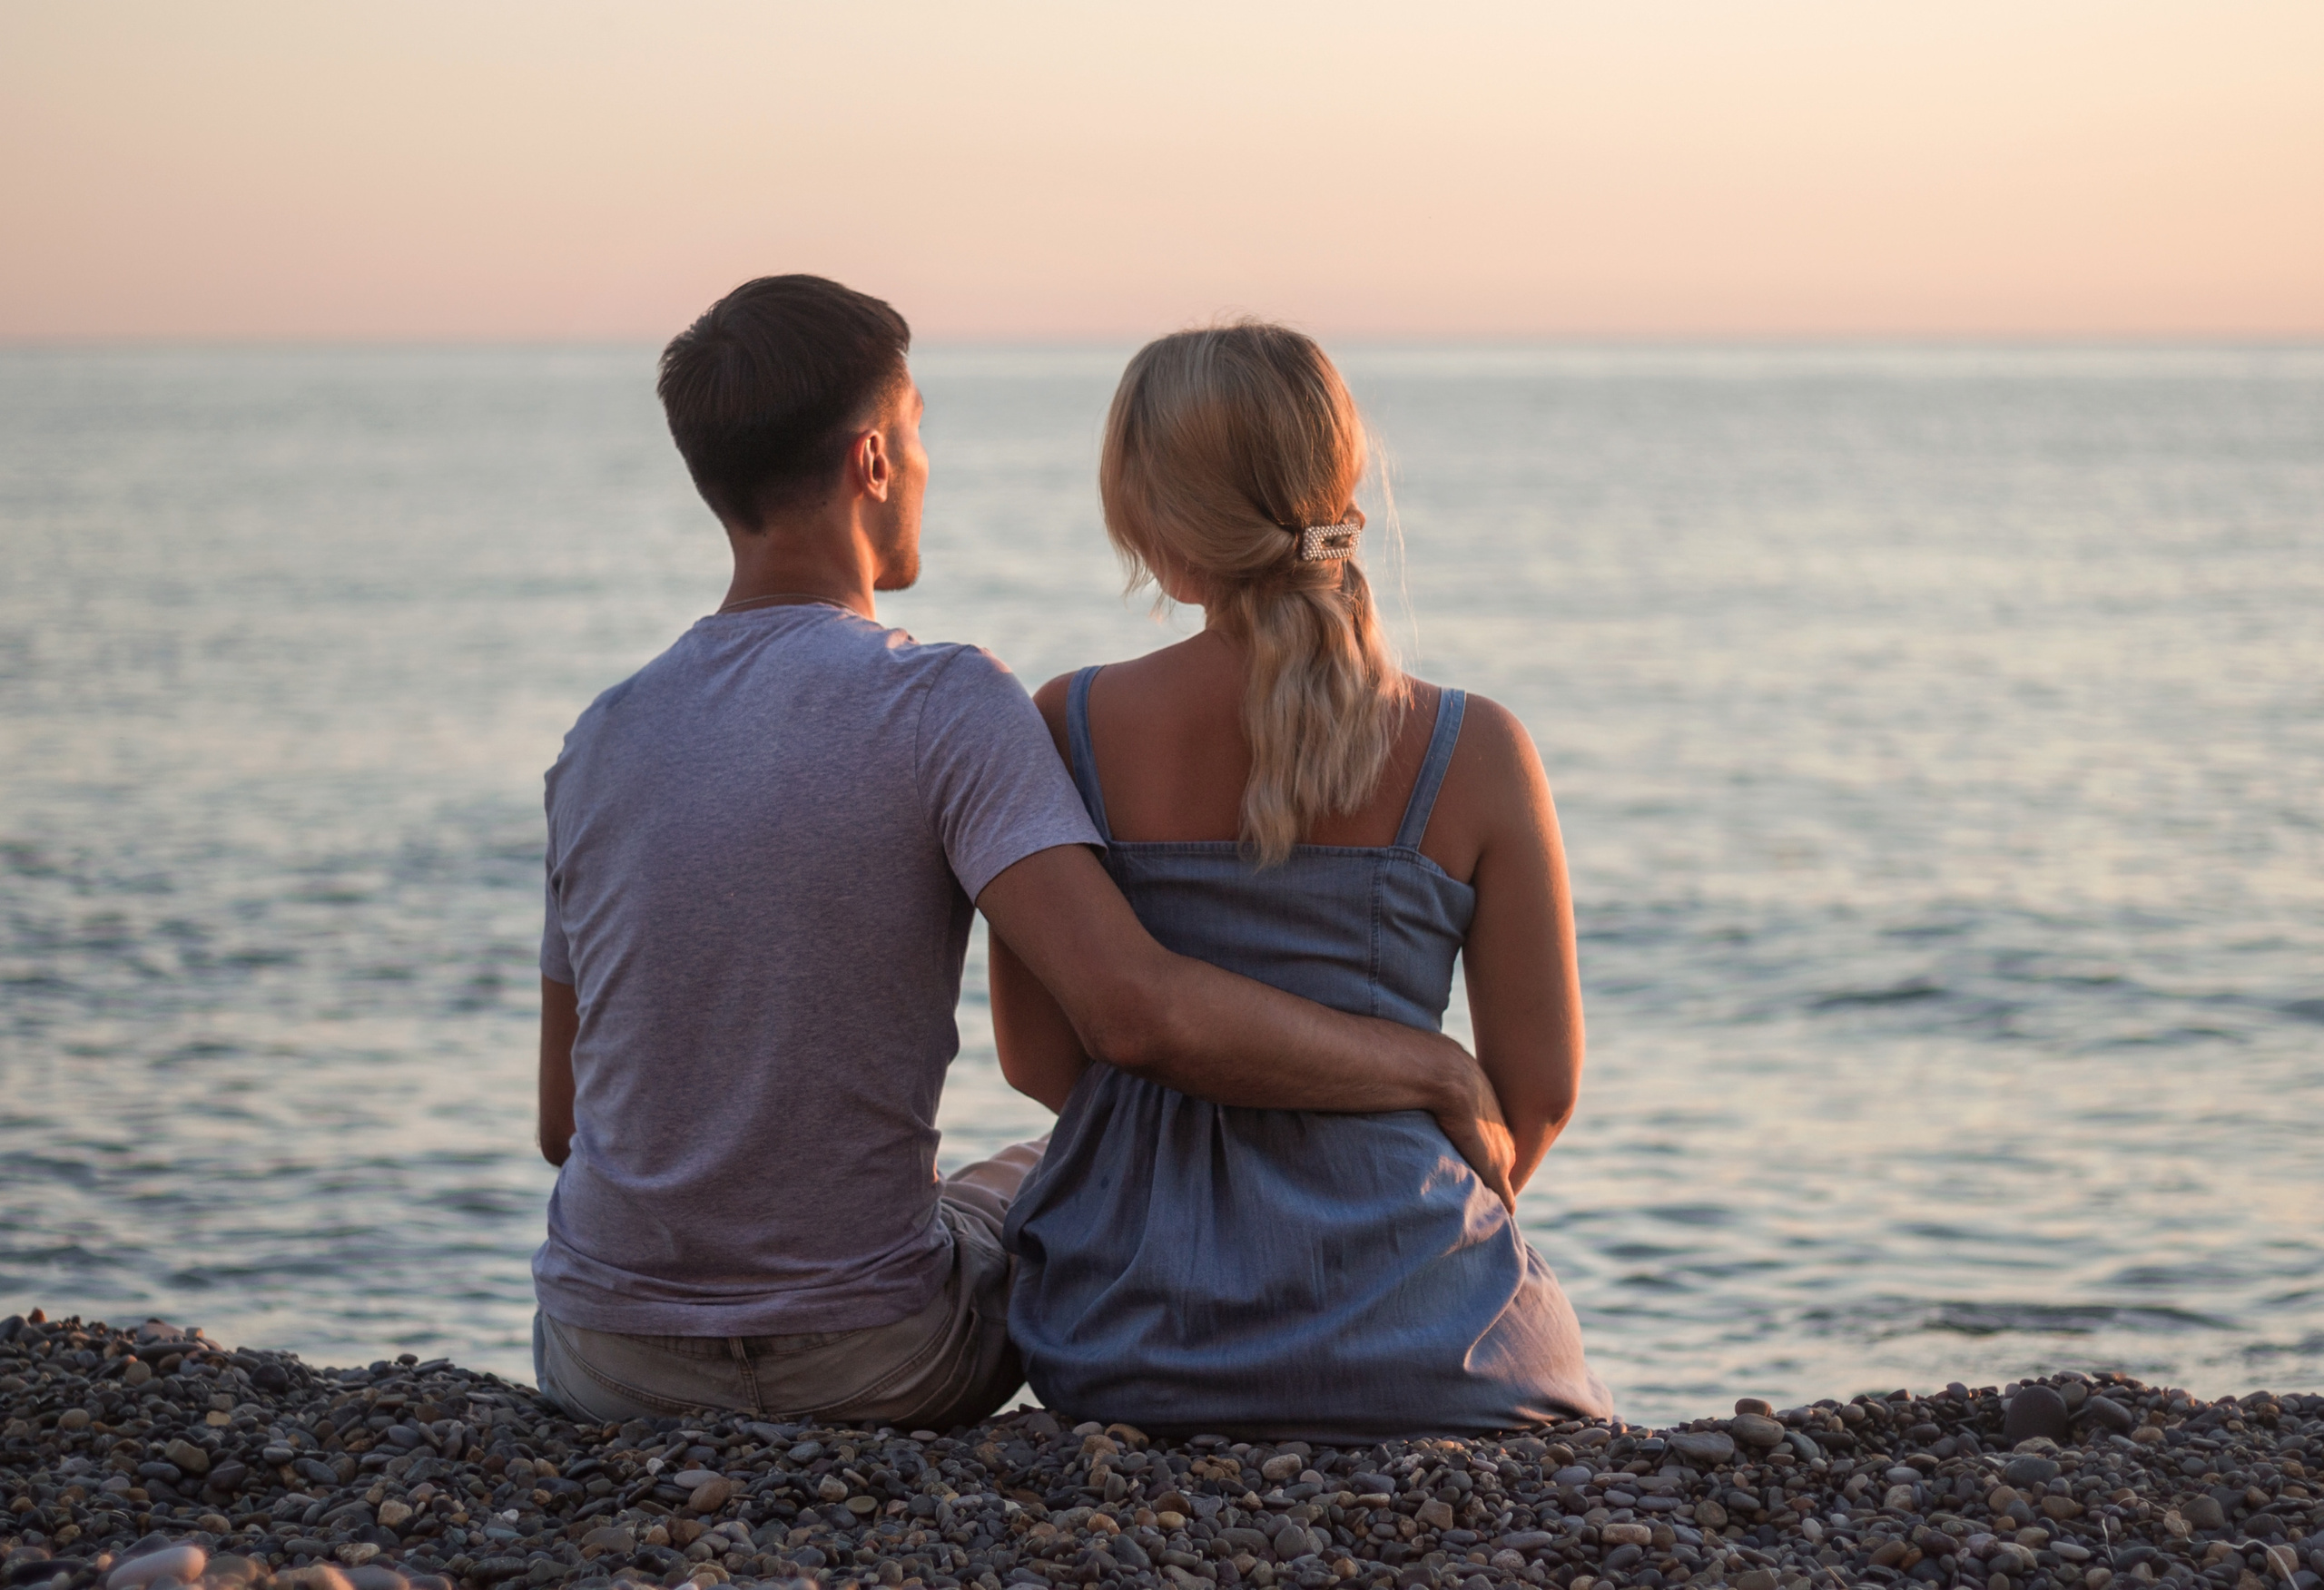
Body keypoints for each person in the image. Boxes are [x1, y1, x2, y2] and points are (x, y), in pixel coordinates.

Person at [528, 277, 1517, 1429]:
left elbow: (565, 1122)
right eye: (918, 429)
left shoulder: (599, 738)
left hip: (603, 1356)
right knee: (1028, 1178)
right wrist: (1432, 1069)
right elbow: (1131, 1013)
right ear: (872, 462)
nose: (926, 464)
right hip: (875, 1360)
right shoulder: (946, 703)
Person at [994, 322, 1614, 1440]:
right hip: (1437, 1347)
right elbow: (1543, 1095)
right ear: (1339, 488)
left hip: (1133, 1339)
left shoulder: (1064, 727)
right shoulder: (1473, 749)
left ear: (1148, 515)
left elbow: (1041, 1062)